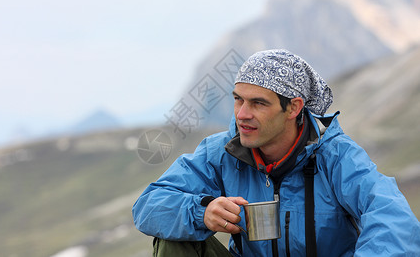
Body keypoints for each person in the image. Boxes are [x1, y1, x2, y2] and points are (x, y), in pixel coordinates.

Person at [132, 49, 420, 256]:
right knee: (173, 240)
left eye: (258, 103)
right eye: (238, 100)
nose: (242, 114)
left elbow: (395, 220)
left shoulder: (337, 156)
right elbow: (148, 205)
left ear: (293, 108)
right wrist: (202, 212)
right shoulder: (221, 152)